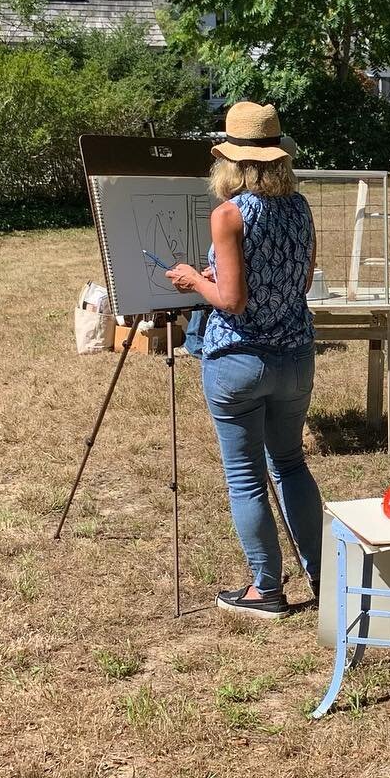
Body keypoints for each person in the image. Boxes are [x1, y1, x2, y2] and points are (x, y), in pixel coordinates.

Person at [166, 101, 323, 616]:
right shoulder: (300, 207)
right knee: (291, 464)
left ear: (230, 162)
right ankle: (324, 575)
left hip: (238, 359)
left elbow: (231, 301)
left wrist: (193, 280)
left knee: (246, 475)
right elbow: (298, 282)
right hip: (295, 356)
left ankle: (266, 588)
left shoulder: (229, 214)